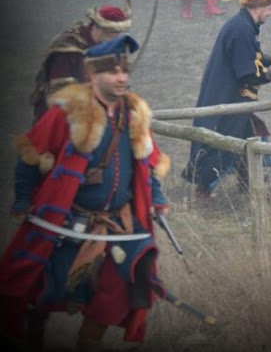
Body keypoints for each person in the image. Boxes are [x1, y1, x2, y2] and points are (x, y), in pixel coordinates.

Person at [0, 35, 171, 351]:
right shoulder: (68, 112)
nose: (121, 78)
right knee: (42, 286)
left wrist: (157, 199)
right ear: (92, 74)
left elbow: (147, 162)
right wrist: (23, 200)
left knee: (118, 289)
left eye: (124, 71)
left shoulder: (134, 114)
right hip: (67, 221)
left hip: (119, 225)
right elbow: (30, 155)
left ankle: (88, 344)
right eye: (113, 72)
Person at [182, 0, 271, 197]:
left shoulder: (243, 25)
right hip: (228, 98)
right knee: (220, 144)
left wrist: (269, 60)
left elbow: (249, 55)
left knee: (252, 136)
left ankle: (249, 190)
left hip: (235, 98)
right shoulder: (241, 29)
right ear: (258, 6)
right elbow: (246, 73)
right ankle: (203, 192)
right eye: (269, 6)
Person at [29, 5, 132, 122]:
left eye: (120, 33)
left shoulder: (108, 46)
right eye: (113, 32)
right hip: (61, 118)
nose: (117, 37)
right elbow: (60, 93)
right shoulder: (68, 49)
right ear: (99, 28)